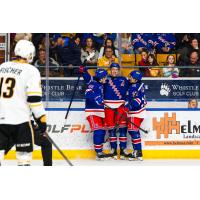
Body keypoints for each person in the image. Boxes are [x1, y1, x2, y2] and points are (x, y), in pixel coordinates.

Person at [0, 40, 47, 166]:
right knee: (24, 158)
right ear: (30, 54)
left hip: (1, 119)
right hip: (20, 121)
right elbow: (34, 100)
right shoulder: (31, 70)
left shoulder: (2, 67)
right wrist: (41, 119)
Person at [81, 63, 130, 160]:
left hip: (118, 107)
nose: (114, 71)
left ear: (119, 70)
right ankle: (112, 150)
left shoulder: (124, 79)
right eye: (112, 69)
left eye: (116, 69)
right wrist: (84, 72)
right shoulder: (104, 80)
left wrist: (129, 99)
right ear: (109, 70)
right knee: (109, 130)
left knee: (122, 129)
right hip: (105, 108)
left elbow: (133, 89)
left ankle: (123, 149)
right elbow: (89, 81)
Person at [79, 67, 111, 160]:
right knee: (98, 130)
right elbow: (88, 94)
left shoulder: (100, 83)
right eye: (105, 77)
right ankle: (98, 153)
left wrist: (84, 72)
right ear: (101, 78)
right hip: (92, 111)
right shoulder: (94, 84)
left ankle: (100, 151)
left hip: (100, 112)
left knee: (102, 131)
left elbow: (88, 78)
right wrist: (96, 97)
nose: (106, 78)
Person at [126, 70, 147, 161]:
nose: (129, 78)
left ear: (135, 79)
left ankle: (137, 152)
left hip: (136, 113)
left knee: (133, 131)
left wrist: (129, 106)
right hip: (138, 112)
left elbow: (137, 101)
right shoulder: (137, 86)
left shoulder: (134, 87)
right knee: (134, 131)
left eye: (131, 77)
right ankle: (139, 152)